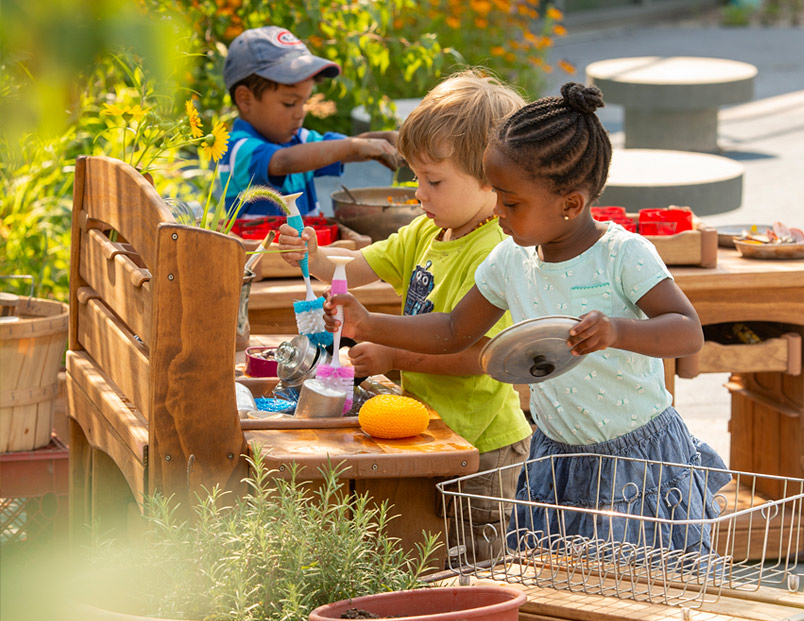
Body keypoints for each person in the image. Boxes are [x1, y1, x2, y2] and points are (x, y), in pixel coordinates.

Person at [322, 82, 731, 556]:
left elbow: (687, 331)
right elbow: (453, 330)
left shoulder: (622, 254)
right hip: (557, 455)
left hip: (635, 455)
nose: (497, 210)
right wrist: (368, 324)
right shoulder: (508, 260)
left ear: (571, 204)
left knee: (644, 585)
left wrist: (619, 330)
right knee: (560, 587)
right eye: (496, 194)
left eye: (511, 202)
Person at [279, 69, 533, 563]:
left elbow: (479, 355)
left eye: (433, 181)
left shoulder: (496, 254)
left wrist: (392, 354)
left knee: (469, 560)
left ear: (491, 178)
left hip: (480, 444)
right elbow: (351, 270)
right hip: (430, 431)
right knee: (422, 546)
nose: (419, 193)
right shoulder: (425, 233)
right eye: (416, 177)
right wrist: (313, 255)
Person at [220, 26, 402, 217]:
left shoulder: (299, 138)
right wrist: (354, 146)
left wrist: (383, 139)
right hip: (261, 247)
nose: (300, 114)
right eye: (290, 103)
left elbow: (338, 150)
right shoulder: (237, 148)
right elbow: (284, 161)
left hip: (305, 246)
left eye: (304, 102)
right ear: (245, 99)